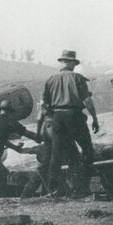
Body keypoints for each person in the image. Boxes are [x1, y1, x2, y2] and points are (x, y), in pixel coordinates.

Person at [41, 50, 99, 197]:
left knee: (57, 153)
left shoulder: (50, 80)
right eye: (73, 63)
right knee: (87, 150)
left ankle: (54, 189)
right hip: (74, 116)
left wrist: (52, 118)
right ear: (71, 63)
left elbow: (44, 105)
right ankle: (81, 187)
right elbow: (87, 101)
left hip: (57, 118)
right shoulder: (78, 78)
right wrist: (95, 118)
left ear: (61, 63)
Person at [0, 100, 41, 199]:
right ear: (10, 112)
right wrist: (41, 138)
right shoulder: (10, 121)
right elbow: (28, 134)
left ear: (0, 110)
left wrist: (15, 148)